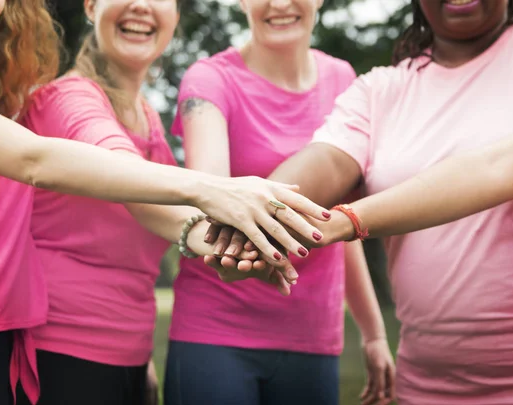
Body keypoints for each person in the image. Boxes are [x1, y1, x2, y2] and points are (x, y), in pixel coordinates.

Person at [0, 0, 328, 404]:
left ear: (176, 16)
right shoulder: (68, 99)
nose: (141, 5)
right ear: (91, 7)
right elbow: (120, 176)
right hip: (61, 352)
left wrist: (232, 245)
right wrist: (215, 192)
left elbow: (165, 217)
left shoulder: (147, 114)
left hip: (125, 353)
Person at [208, 1, 513, 403]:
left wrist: (345, 220)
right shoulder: (381, 89)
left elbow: (498, 169)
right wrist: (248, 224)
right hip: (424, 386)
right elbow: (326, 161)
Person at [164, 0, 395, 404]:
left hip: (313, 335)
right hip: (215, 331)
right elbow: (212, 197)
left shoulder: (342, 78)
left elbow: (337, 221)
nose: (280, 4)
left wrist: (373, 332)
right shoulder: (210, 80)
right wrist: (238, 255)